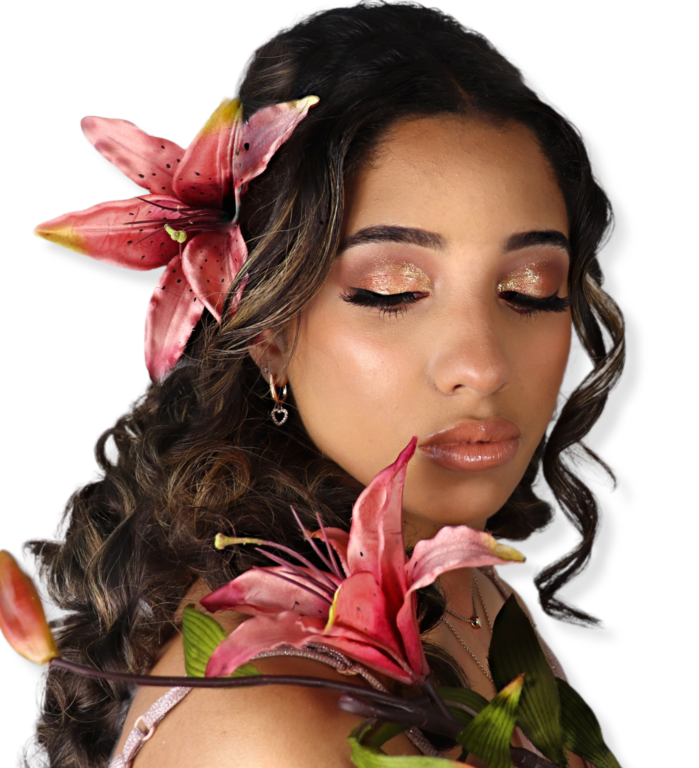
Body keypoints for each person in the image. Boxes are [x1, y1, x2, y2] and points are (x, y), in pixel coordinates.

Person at [26, 3, 624, 766]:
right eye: (391, 290)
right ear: (267, 331)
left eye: (529, 288)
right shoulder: (269, 726)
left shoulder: (457, 591)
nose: (482, 366)